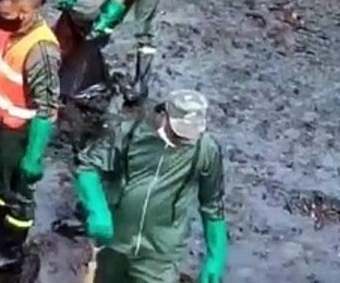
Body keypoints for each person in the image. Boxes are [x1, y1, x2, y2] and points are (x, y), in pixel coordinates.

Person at [74, 89, 227, 283]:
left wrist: (215, 257)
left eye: (190, 135)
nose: (184, 142)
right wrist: (97, 208)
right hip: (115, 241)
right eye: (179, 134)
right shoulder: (129, 132)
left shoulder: (205, 150)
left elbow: (212, 205)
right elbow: (88, 166)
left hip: (160, 255)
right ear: (163, 116)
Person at [0, 0, 59, 274]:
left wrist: (34, 155)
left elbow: (46, 108)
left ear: (26, 12)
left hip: (22, 130)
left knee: (17, 193)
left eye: (6, 16)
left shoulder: (42, 51)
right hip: (0, 120)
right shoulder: (4, 28)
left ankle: (12, 251)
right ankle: (0, 240)